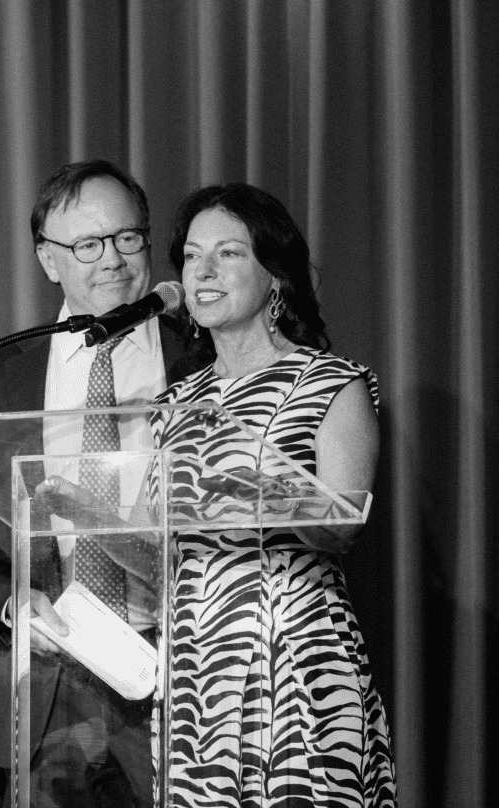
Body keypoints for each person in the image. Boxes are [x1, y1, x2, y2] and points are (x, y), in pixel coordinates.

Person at [0, 159, 187, 807]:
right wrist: (12, 603)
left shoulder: (202, 358)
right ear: (48, 260)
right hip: (47, 675)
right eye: (87, 245)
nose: (113, 261)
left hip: (181, 665)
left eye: (128, 238)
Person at [149, 183, 397, 806]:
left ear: (275, 277)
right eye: (192, 256)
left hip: (293, 661)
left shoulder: (330, 382)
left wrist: (262, 488)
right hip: (193, 675)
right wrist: (80, 512)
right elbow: (153, 546)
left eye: (228, 253)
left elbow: (345, 523)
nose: (202, 272)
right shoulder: (173, 403)